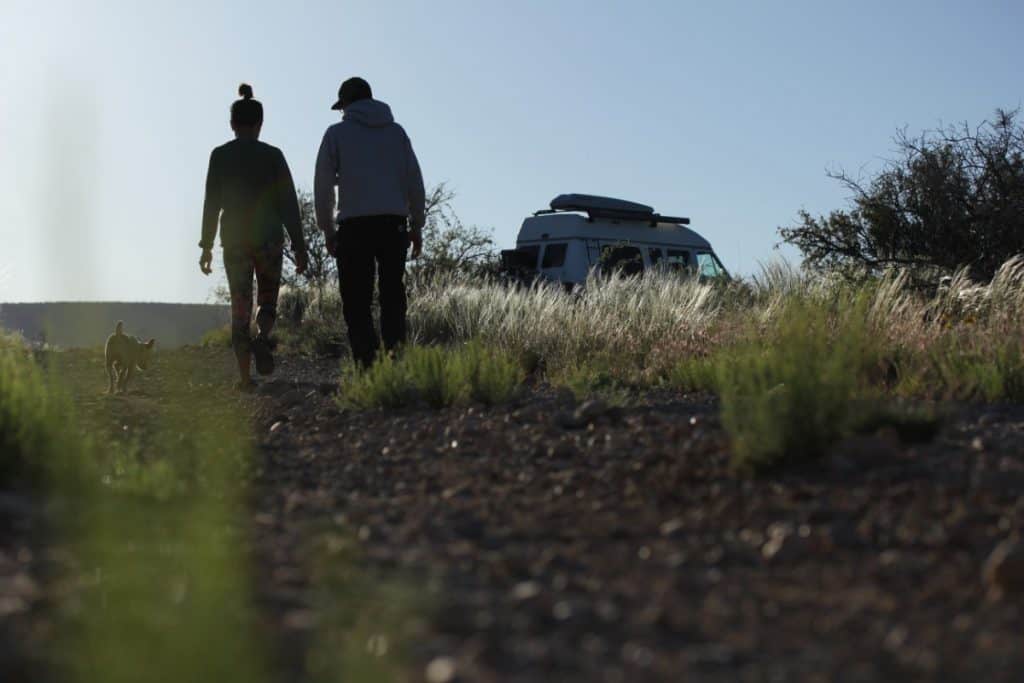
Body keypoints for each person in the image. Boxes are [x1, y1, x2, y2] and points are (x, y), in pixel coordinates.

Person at [200, 83, 308, 391]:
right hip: (269, 238)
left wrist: (206, 245)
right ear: (260, 124)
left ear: (232, 124)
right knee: (268, 296)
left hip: (234, 239)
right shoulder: (273, 156)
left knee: (240, 304)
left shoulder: (219, 156)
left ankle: (245, 378)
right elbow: (289, 203)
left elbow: (211, 202)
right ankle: (262, 337)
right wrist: (300, 247)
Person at [314, 76, 425, 368]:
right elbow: (414, 180)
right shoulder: (397, 133)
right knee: (392, 296)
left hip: (354, 227)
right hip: (393, 224)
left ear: (347, 104)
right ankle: (395, 361)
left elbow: (323, 186)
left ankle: (368, 366)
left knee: (356, 300)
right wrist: (417, 225)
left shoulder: (336, 134)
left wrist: (327, 228)